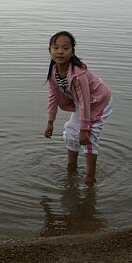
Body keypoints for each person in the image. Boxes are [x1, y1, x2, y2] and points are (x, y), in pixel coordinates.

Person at [43, 31, 113, 186]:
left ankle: (90, 177)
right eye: (56, 48)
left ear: (72, 51)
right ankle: (71, 166)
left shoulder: (78, 74)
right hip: (81, 104)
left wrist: (84, 129)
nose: (60, 51)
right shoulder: (54, 72)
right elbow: (53, 97)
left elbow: (85, 101)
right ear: (50, 51)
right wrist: (50, 122)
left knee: (88, 136)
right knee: (70, 134)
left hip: (98, 102)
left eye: (65, 48)